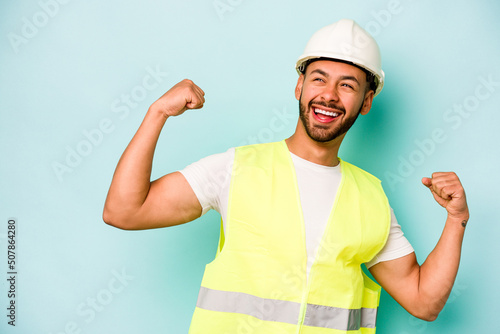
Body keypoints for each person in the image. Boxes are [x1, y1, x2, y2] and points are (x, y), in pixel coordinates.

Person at [103, 19, 469, 333]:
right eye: (319, 79)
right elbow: (124, 211)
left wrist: (456, 220)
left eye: (347, 85)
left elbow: (424, 301)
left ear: (367, 102)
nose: (328, 96)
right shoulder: (235, 168)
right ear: (299, 86)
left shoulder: (370, 197)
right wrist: (157, 114)